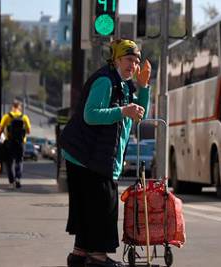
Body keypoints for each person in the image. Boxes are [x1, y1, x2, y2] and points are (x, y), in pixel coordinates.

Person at [59, 39, 151, 267]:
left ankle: (79, 255)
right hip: (87, 157)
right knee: (103, 208)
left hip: (93, 157)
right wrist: (123, 110)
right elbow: (91, 115)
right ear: (117, 59)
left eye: (136, 60)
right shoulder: (105, 81)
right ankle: (98, 257)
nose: (133, 64)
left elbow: (138, 115)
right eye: (129, 59)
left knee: (88, 208)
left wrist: (144, 87)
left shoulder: (125, 84)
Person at [0, 100, 31, 189]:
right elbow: (29, 131)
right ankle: (18, 178)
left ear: (12, 106)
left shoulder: (7, 116)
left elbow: (1, 130)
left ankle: (11, 181)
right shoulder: (24, 117)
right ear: (19, 107)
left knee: (9, 162)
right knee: (19, 161)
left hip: (10, 142)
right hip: (21, 142)